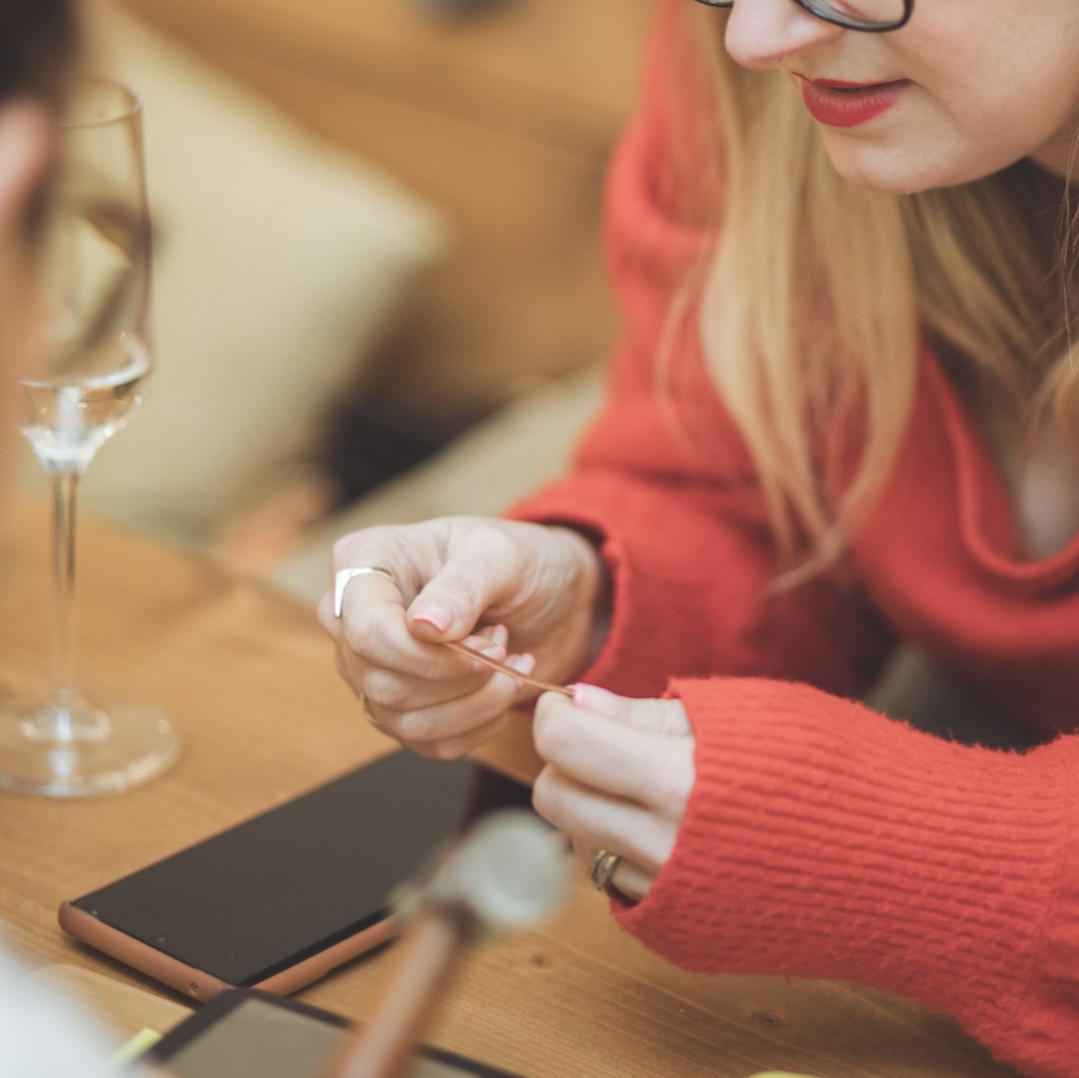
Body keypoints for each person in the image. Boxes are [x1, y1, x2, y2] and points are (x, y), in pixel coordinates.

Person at [320, 1, 1079, 1075]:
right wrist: (591, 593)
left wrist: (945, 869)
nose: (751, 41)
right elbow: (746, 485)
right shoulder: (762, 88)